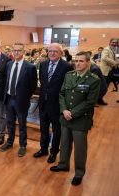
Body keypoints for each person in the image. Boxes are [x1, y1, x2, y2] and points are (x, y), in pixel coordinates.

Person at [50, 51, 100, 186]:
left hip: (80, 119)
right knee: (65, 144)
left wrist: (72, 113)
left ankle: (79, 173)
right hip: (66, 117)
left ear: (88, 63)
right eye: (76, 61)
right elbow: (62, 94)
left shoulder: (93, 80)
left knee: (79, 148)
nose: (77, 63)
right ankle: (63, 165)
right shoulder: (69, 76)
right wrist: (65, 110)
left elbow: (90, 102)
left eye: (81, 61)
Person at [33, 43, 74, 163]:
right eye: (50, 51)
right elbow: (43, 82)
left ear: (61, 53)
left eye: (55, 51)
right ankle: (43, 149)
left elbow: (69, 87)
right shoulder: (43, 63)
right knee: (43, 128)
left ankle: (54, 152)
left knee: (56, 131)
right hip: (43, 103)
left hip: (57, 104)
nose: (52, 53)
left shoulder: (67, 66)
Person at [0, 42, 37, 157]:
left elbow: (33, 85)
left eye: (19, 50)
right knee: (10, 122)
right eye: (14, 50)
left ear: (24, 52)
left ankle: (22, 145)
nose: (16, 52)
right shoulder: (9, 64)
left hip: (21, 100)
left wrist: (26, 95)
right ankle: (10, 141)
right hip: (9, 98)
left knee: (22, 124)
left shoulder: (30, 67)